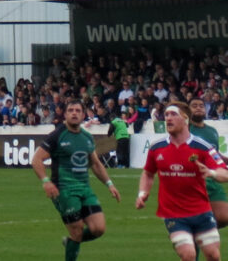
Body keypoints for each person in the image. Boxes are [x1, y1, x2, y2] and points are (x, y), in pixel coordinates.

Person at [137, 101, 228, 261]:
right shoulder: (156, 148)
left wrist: (211, 172)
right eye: (166, 115)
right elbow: (148, 173)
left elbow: (224, 173)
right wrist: (143, 193)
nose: (168, 118)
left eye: (173, 114)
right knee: (188, 254)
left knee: (213, 255)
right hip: (174, 213)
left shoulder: (203, 147)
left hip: (202, 211)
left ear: (185, 119)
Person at [32, 99, 120, 261]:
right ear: (65, 115)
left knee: (98, 228)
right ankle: (74, 242)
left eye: (78, 110)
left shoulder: (86, 137)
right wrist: (46, 181)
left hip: (85, 189)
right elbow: (37, 160)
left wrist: (110, 184)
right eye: (71, 110)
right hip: (64, 190)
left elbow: (95, 163)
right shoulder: (57, 135)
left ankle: (72, 242)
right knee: (77, 229)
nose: (74, 113)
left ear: (83, 114)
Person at [188, 96, 228, 228]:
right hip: (193, 180)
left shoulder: (212, 131)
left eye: (201, 105)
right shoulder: (185, 130)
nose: (198, 108)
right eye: (194, 106)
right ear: (188, 111)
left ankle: (202, 230)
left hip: (212, 178)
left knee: (224, 217)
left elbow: (214, 154)